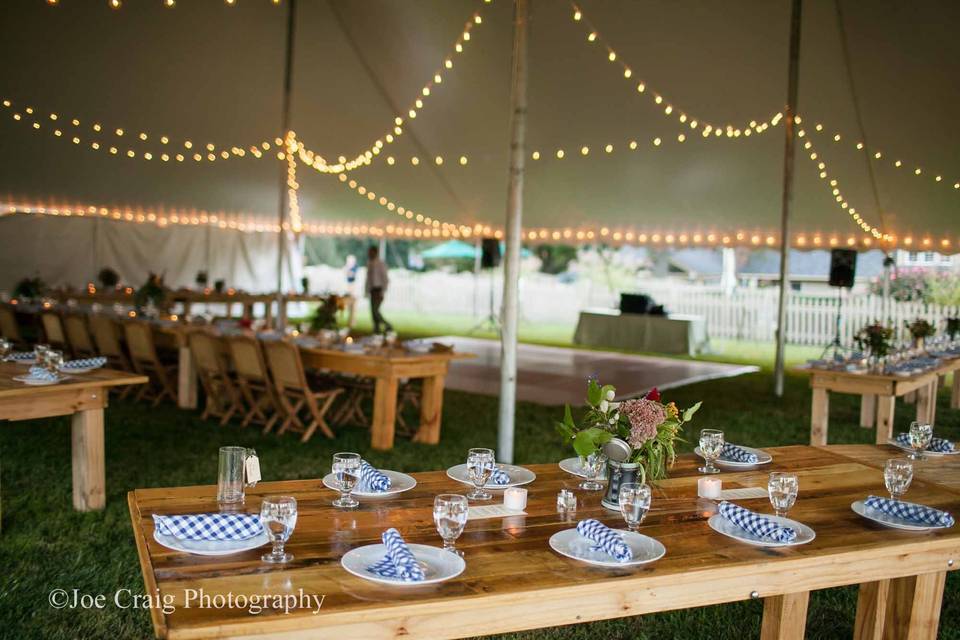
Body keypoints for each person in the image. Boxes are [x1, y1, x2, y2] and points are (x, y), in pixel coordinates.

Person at [364, 246, 392, 334]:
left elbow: (385, 278)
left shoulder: (380, 264)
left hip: (378, 290)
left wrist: (383, 291)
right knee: (373, 312)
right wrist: (366, 290)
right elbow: (368, 279)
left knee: (376, 311)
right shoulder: (369, 264)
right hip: (372, 290)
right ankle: (376, 330)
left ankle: (387, 325)